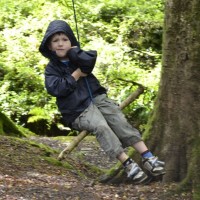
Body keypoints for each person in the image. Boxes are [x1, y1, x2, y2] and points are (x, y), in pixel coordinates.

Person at [39, 19, 165, 184]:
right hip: (76, 109)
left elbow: (90, 60)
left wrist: (76, 54)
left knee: (117, 119)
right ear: (49, 46)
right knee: (101, 126)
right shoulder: (51, 69)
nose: (60, 44)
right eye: (55, 41)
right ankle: (128, 164)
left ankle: (148, 157)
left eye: (64, 40)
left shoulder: (77, 56)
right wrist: (77, 74)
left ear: (71, 42)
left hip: (97, 98)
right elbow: (57, 89)